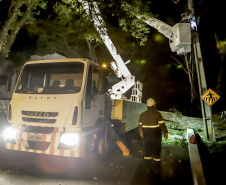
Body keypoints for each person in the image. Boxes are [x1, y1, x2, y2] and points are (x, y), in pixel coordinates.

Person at [139, 98, 168, 162]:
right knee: (156, 146)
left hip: (146, 135)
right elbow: (162, 125)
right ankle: (156, 158)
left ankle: (147, 157)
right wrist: (165, 132)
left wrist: (141, 132)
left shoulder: (142, 114)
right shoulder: (157, 114)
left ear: (147, 105)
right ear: (154, 105)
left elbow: (140, 125)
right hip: (156, 135)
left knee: (147, 145)